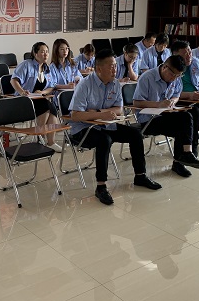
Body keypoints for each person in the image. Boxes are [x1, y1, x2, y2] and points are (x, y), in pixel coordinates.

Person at [69, 49, 162, 205]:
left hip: (106, 125)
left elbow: (119, 109)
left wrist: (98, 113)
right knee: (104, 140)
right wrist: (102, 114)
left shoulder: (115, 84)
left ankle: (140, 175)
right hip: (83, 129)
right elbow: (76, 115)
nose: (115, 69)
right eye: (111, 66)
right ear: (99, 69)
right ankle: (101, 186)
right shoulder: (85, 84)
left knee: (135, 134)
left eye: (115, 65)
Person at [133, 55, 199, 178]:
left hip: (166, 115)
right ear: (165, 67)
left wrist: (173, 101)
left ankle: (182, 159)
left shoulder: (176, 78)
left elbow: (177, 95)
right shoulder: (147, 77)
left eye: (179, 76)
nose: (175, 78)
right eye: (173, 75)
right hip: (149, 119)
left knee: (189, 115)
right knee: (184, 121)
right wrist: (158, 104)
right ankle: (184, 157)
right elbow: (136, 103)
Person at [11, 42, 61, 151]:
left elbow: (51, 86)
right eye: (42, 52)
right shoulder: (26, 65)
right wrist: (22, 92)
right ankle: (39, 137)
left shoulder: (47, 68)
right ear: (35, 53)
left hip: (38, 99)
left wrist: (42, 92)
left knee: (52, 109)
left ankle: (51, 142)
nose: (45, 54)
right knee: (45, 106)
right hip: (24, 100)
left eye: (47, 52)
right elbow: (14, 80)